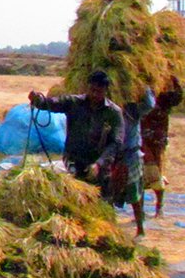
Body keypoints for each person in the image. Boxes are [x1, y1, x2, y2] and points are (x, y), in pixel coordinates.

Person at [28, 70, 123, 200]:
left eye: (99, 92)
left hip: (99, 165)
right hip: (75, 160)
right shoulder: (74, 103)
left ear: (106, 91)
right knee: (75, 199)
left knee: (102, 202)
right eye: (92, 90)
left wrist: (99, 163)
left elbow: (116, 142)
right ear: (87, 88)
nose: (94, 94)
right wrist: (38, 100)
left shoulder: (113, 113)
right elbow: (52, 103)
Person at [112, 89, 155, 236]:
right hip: (113, 156)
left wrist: (144, 88)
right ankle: (111, 228)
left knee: (134, 192)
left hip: (131, 155)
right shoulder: (107, 110)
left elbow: (150, 105)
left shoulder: (131, 110)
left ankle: (140, 229)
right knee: (109, 192)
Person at [142, 76, 183, 217]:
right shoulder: (139, 94)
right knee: (140, 174)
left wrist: (174, 80)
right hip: (141, 140)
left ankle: (159, 207)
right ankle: (141, 210)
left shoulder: (164, 98)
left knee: (155, 174)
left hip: (157, 141)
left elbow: (178, 97)